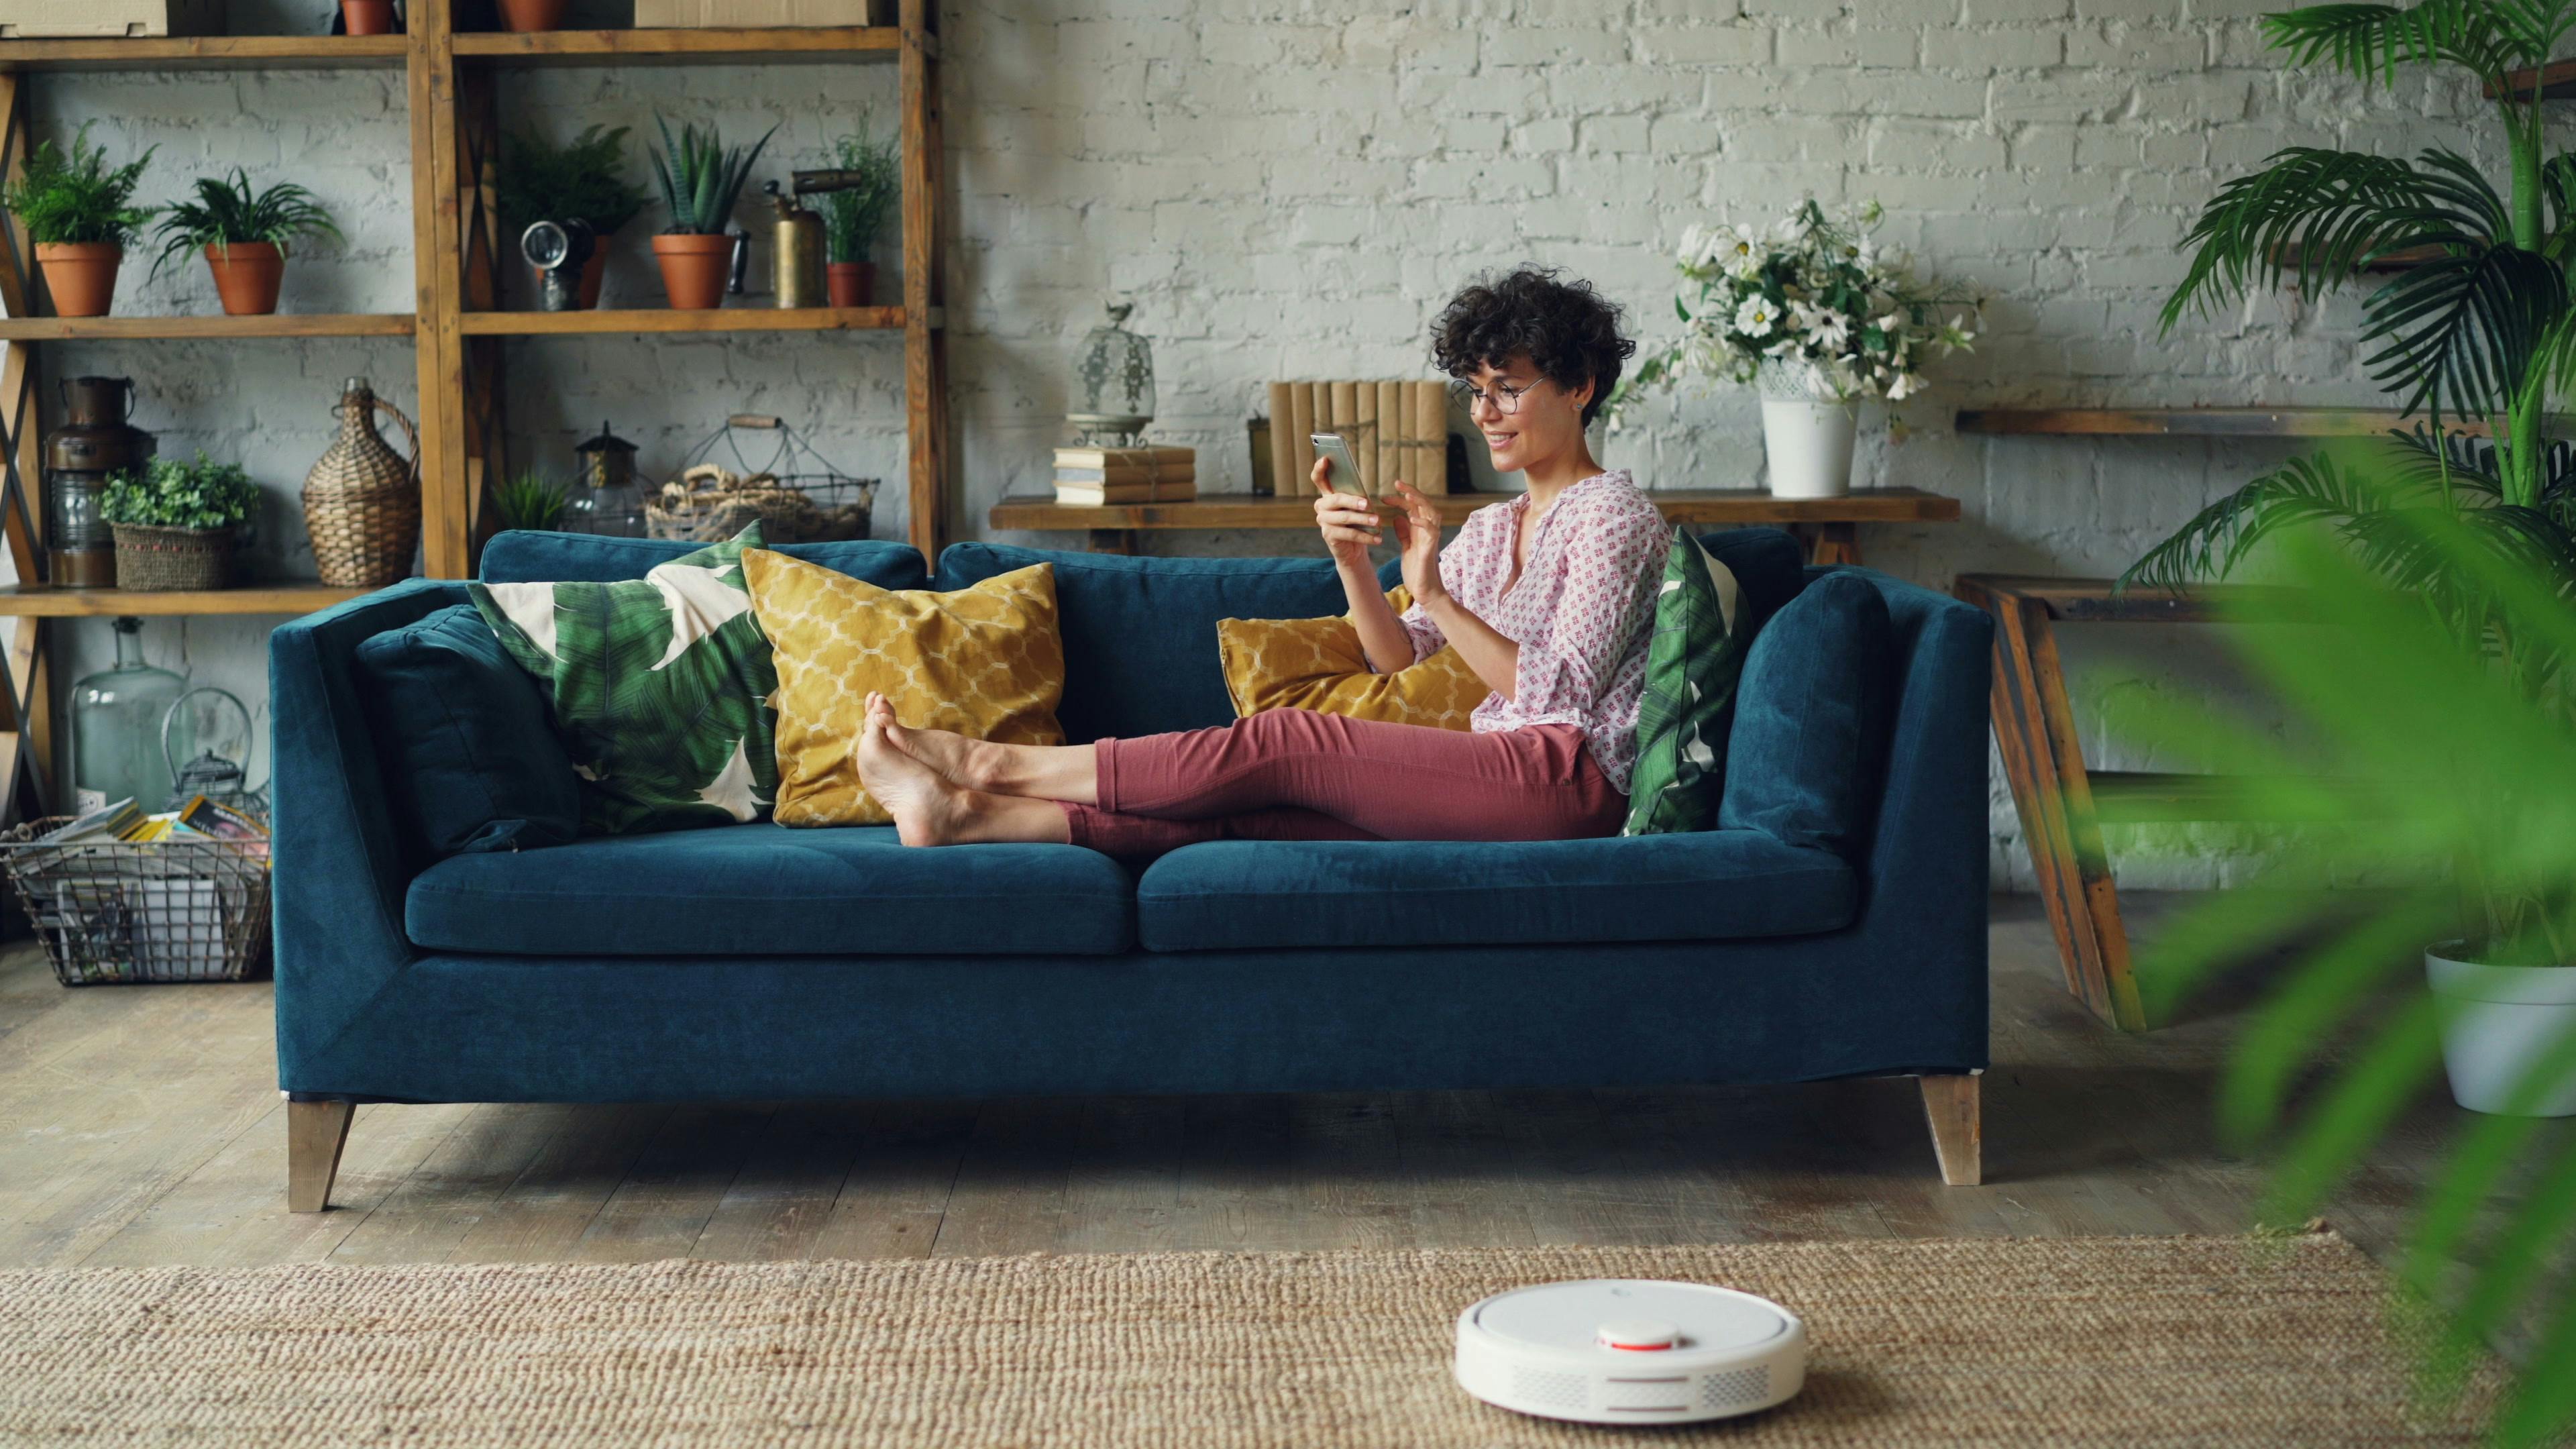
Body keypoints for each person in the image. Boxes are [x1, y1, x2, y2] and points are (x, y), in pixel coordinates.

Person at [855, 266, 1674, 857]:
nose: (1483, 413)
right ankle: (961, 816)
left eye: (1507, 389)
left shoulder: (1616, 517)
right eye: (1474, 389)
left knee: (1282, 742)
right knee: (1246, 817)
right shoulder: (1497, 526)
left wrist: (1433, 590)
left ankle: (984, 761)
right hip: (1506, 771)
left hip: (1570, 780)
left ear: (1580, 387)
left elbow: (1559, 695)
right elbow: (1396, 656)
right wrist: (1354, 563)